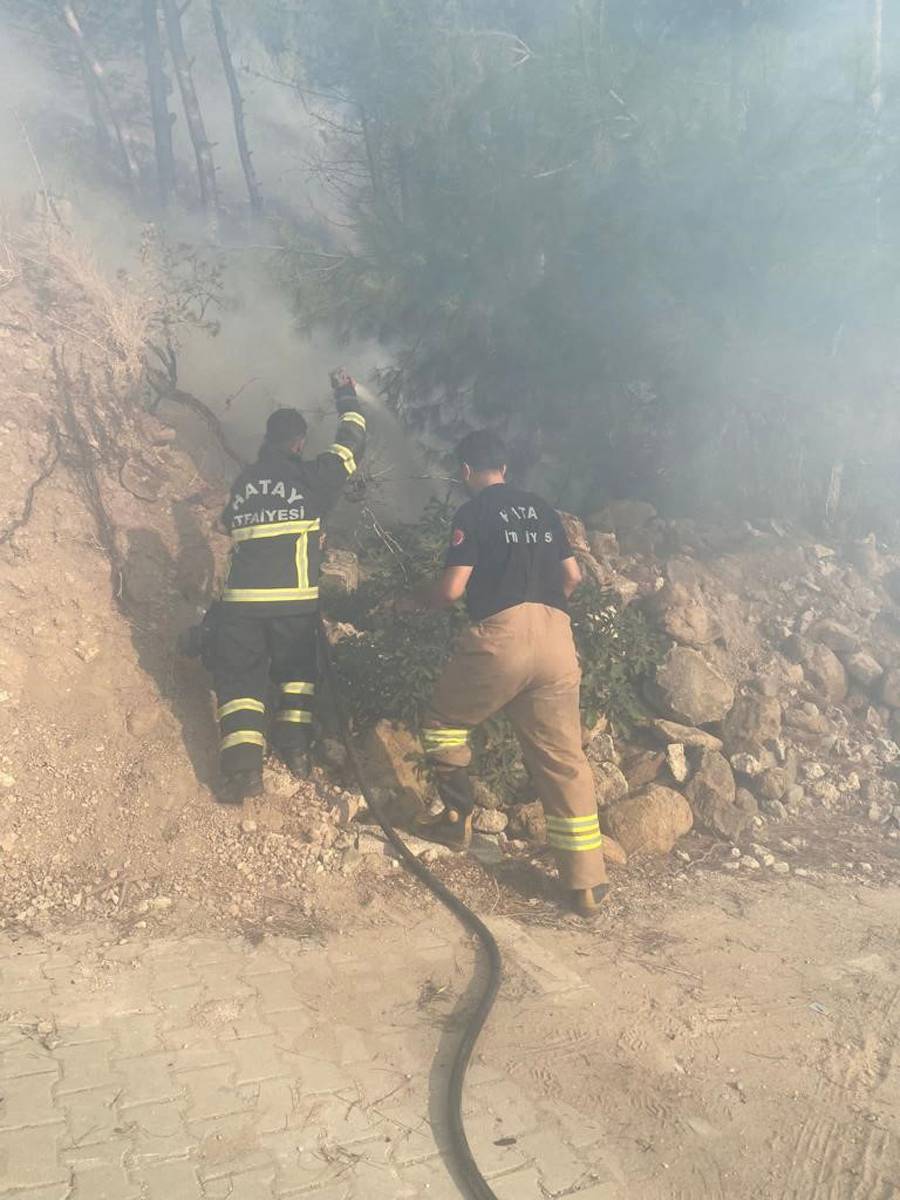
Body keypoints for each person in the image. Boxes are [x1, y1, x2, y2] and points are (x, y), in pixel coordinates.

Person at [397, 430, 608, 917]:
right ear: (506, 469)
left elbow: (452, 589)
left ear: (466, 472)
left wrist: (413, 603)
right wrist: (547, 618)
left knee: (443, 723)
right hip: (558, 637)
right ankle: (588, 884)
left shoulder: (472, 513)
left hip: (502, 635)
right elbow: (573, 578)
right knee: (563, 758)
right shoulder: (542, 510)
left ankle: (455, 819)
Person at [212, 370, 366, 805]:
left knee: (240, 684)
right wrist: (346, 394)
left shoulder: (244, 483)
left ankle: (243, 774)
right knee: (297, 677)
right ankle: (294, 749)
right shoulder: (313, 478)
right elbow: (352, 440)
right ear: (298, 442)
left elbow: (229, 524)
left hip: (239, 605)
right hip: (292, 603)